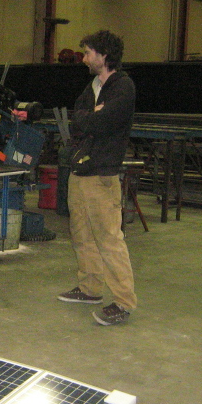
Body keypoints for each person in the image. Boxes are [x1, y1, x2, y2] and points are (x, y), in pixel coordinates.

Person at [57, 30, 137, 325]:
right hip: (80, 170)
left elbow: (102, 124)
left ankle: (124, 302)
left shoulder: (123, 87)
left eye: (89, 53)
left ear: (104, 56)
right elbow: (76, 118)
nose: (84, 59)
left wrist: (90, 118)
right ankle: (90, 288)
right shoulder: (92, 87)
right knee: (81, 233)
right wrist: (90, 115)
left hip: (102, 174)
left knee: (109, 239)